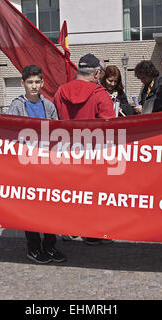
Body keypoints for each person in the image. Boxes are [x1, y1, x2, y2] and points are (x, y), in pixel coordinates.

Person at [6, 65, 66, 264]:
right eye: (30, 82)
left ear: (42, 83)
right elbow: (10, 134)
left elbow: (57, 132)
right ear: (23, 83)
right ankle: (33, 247)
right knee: (30, 209)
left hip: (47, 164)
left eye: (37, 82)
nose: (34, 86)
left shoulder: (48, 105)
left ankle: (50, 246)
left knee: (50, 207)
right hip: (26, 165)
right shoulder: (16, 106)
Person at [54, 53, 115, 245]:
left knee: (69, 193)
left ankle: (69, 229)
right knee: (93, 195)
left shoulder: (60, 92)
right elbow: (110, 127)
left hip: (66, 151)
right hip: (92, 153)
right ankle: (92, 233)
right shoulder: (100, 94)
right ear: (96, 73)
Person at [54, 53, 115, 120]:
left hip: (64, 130)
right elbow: (110, 126)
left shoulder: (61, 91)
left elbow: (54, 119)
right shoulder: (101, 95)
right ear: (96, 73)